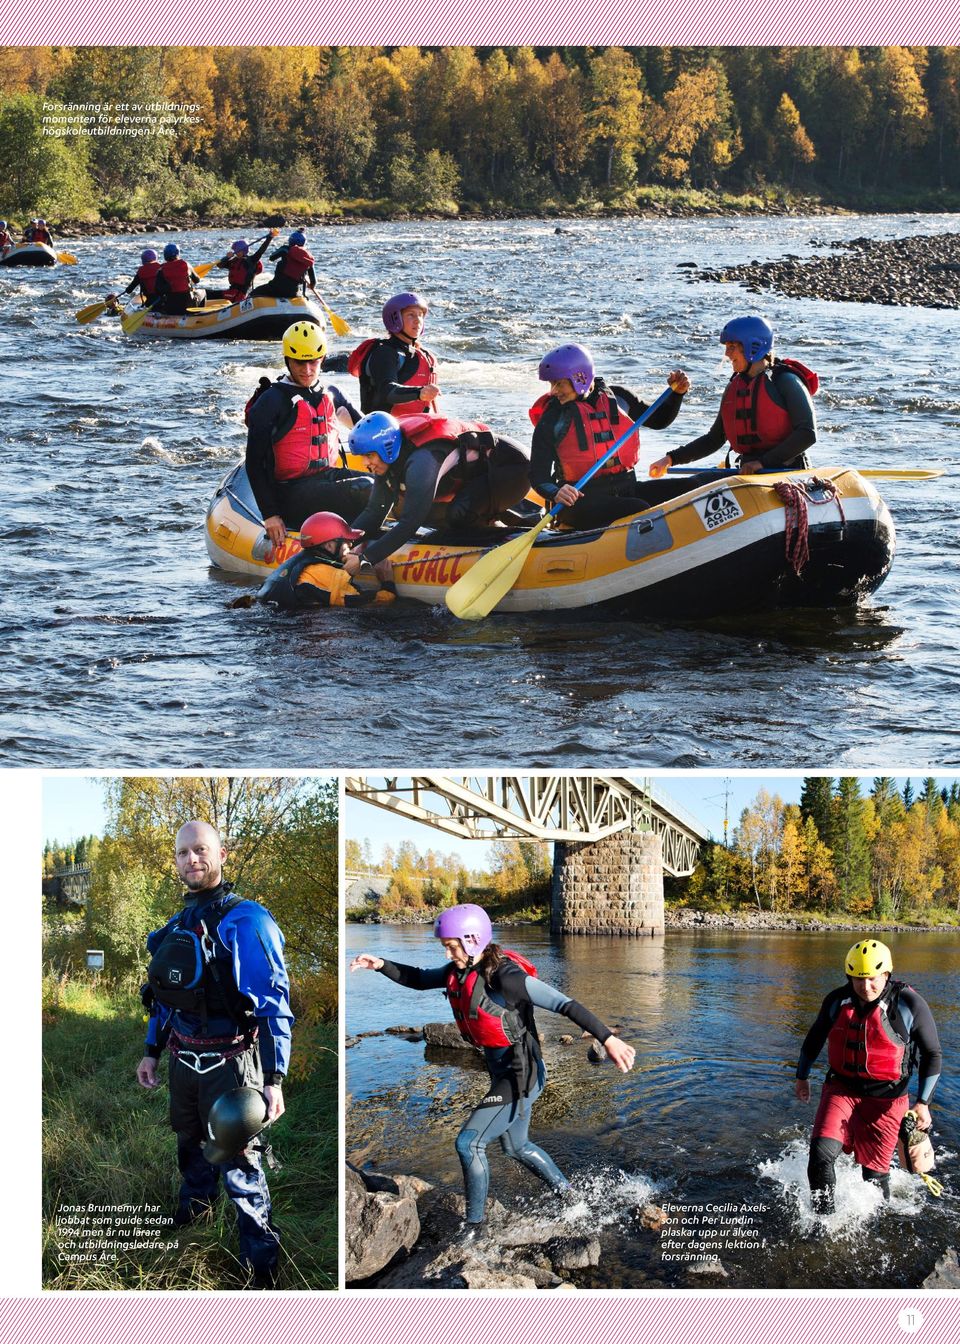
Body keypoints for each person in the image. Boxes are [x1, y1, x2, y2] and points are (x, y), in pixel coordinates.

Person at [350, 903, 635, 1230]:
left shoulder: (506, 977)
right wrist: (381, 964)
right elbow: (417, 978)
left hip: (521, 1074)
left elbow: (564, 1004)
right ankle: (573, 1200)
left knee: (468, 1143)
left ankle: (474, 1229)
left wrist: (608, 1039)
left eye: (452, 946)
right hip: (503, 1072)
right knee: (516, 1146)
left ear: (472, 941)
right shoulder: (457, 971)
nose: (447, 953)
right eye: (445, 946)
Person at [137, 819, 292, 1287]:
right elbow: (166, 999)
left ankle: (261, 1261)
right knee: (189, 1142)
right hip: (184, 1060)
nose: (192, 861)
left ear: (223, 855)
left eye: (201, 851)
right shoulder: (175, 926)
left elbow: (274, 1004)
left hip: (231, 1064)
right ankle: (194, 1212)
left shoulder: (247, 920)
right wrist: (151, 1052)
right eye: (183, 853)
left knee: (240, 1160)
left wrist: (274, 1077)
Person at [794, 939, 942, 1214]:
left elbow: (932, 1054)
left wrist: (923, 1102)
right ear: (849, 976)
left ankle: (876, 1227)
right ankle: (822, 1221)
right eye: (858, 979)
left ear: (886, 974)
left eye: (872, 978)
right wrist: (801, 1076)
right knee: (820, 1156)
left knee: (873, 1177)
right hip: (841, 1091)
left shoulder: (910, 1003)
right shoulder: (837, 1001)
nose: (865, 986)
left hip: (887, 1102)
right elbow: (813, 1040)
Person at [343, 409, 530, 574]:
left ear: (387, 448)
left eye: (369, 455)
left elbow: (411, 522)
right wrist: (344, 542)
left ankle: (502, 530)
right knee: (426, 514)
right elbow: (374, 511)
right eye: (362, 457)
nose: (365, 464)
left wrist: (366, 558)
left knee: (457, 516)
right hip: (480, 474)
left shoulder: (422, 461)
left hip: (514, 469)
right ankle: (497, 514)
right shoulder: (388, 460)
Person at [530, 343, 690, 529]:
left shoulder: (618, 398)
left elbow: (659, 420)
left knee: (689, 488)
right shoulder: (552, 417)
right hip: (580, 503)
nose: (553, 391)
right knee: (639, 509)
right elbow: (537, 475)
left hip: (626, 489)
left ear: (580, 377)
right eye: (552, 384)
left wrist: (677, 394)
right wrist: (557, 492)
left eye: (559, 384)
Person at [245, 320, 373, 550]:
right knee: (365, 487)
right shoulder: (272, 401)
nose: (307, 370)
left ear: (322, 359)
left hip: (325, 477)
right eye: (299, 363)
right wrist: (270, 515)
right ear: (287, 360)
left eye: (313, 362)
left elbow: (368, 429)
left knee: (381, 483)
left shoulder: (331, 393)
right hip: (290, 492)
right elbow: (254, 464)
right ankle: (363, 543)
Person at [649, 316, 817, 480]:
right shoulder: (734, 387)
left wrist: (763, 463)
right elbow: (714, 439)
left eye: (732, 346)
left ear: (753, 347)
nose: (727, 353)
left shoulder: (785, 381)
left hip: (788, 472)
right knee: (693, 482)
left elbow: (808, 433)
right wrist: (670, 459)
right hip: (748, 473)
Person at [255, 510, 395, 609]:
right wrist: (388, 584)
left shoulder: (296, 562)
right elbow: (374, 604)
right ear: (329, 546)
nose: (351, 546)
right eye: (347, 542)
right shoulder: (331, 577)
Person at [347, 292, 441, 417]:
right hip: (382, 428)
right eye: (411, 315)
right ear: (395, 318)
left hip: (416, 425)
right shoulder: (384, 353)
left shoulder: (424, 354)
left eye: (420, 315)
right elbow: (387, 392)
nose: (418, 321)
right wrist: (420, 393)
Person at [205, 231, 276, 303]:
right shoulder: (234, 261)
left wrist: (269, 238)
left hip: (239, 295)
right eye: (236, 251)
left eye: (238, 251)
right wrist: (227, 258)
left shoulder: (251, 261)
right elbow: (220, 265)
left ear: (244, 251)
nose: (237, 253)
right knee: (205, 292)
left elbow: (261, 250)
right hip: (231, 292)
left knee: (208, 294)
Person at [259, 230, 316, 299]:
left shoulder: (285, 249)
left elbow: (272, 257)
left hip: (276, 288)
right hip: (293, 292)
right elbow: (313, 282)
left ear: (290, 241)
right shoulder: (308, 257)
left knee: (254, 292)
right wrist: (311, 285)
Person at [152, 242, 204, 316]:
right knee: (203, 292)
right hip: (188, 306)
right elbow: (197, 280)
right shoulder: (186, 265)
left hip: (170, 308)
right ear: (178, 253)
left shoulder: (161, 270)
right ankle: (199, 314)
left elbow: (157, 291)